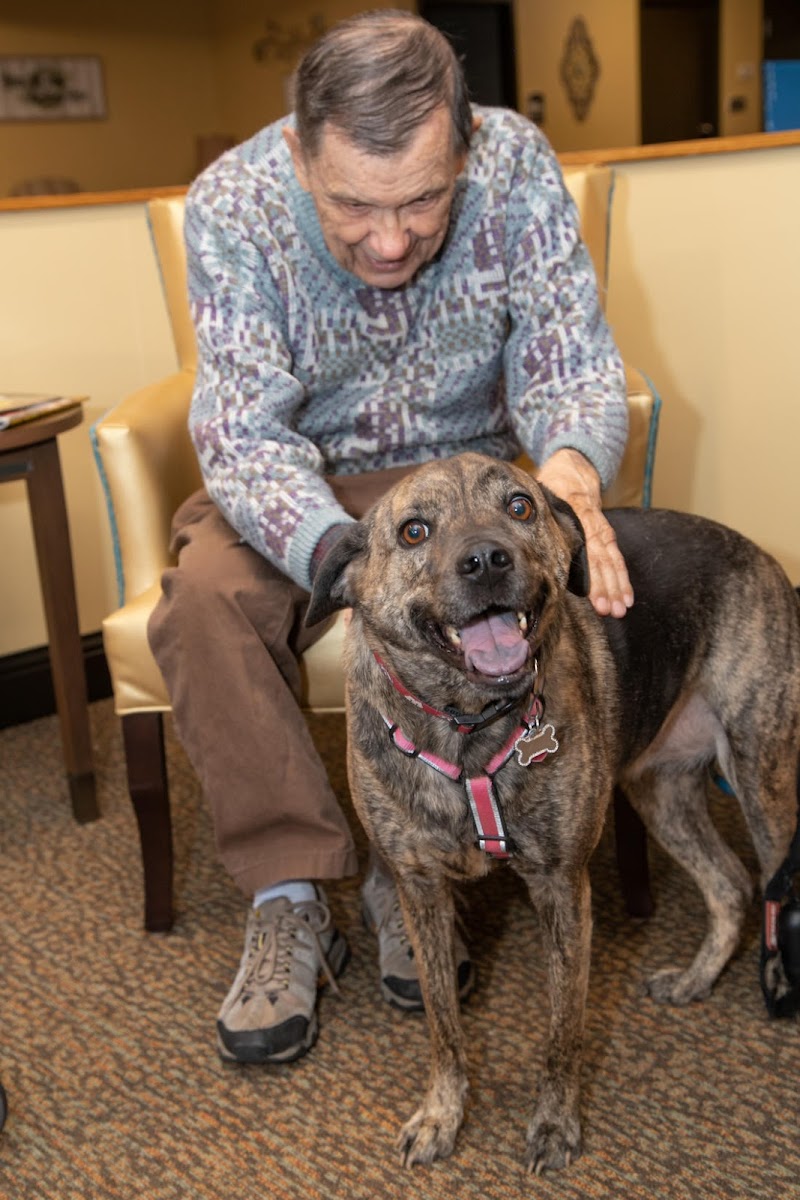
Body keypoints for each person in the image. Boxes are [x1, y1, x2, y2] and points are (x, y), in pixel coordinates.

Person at [148, 9, 633, 1066]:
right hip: (307, 482)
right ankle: (289, 892)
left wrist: (560, 478)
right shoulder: (232, 202)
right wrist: (346, 560)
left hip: (472, 475)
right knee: (202, 604)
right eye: (351, 206)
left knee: (529, 580)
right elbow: (236, 427)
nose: (388, 238)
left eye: (422, 198)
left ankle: (411, 865)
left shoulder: (515, 165)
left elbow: (569, 361)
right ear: (297, 153)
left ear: (462, 146)